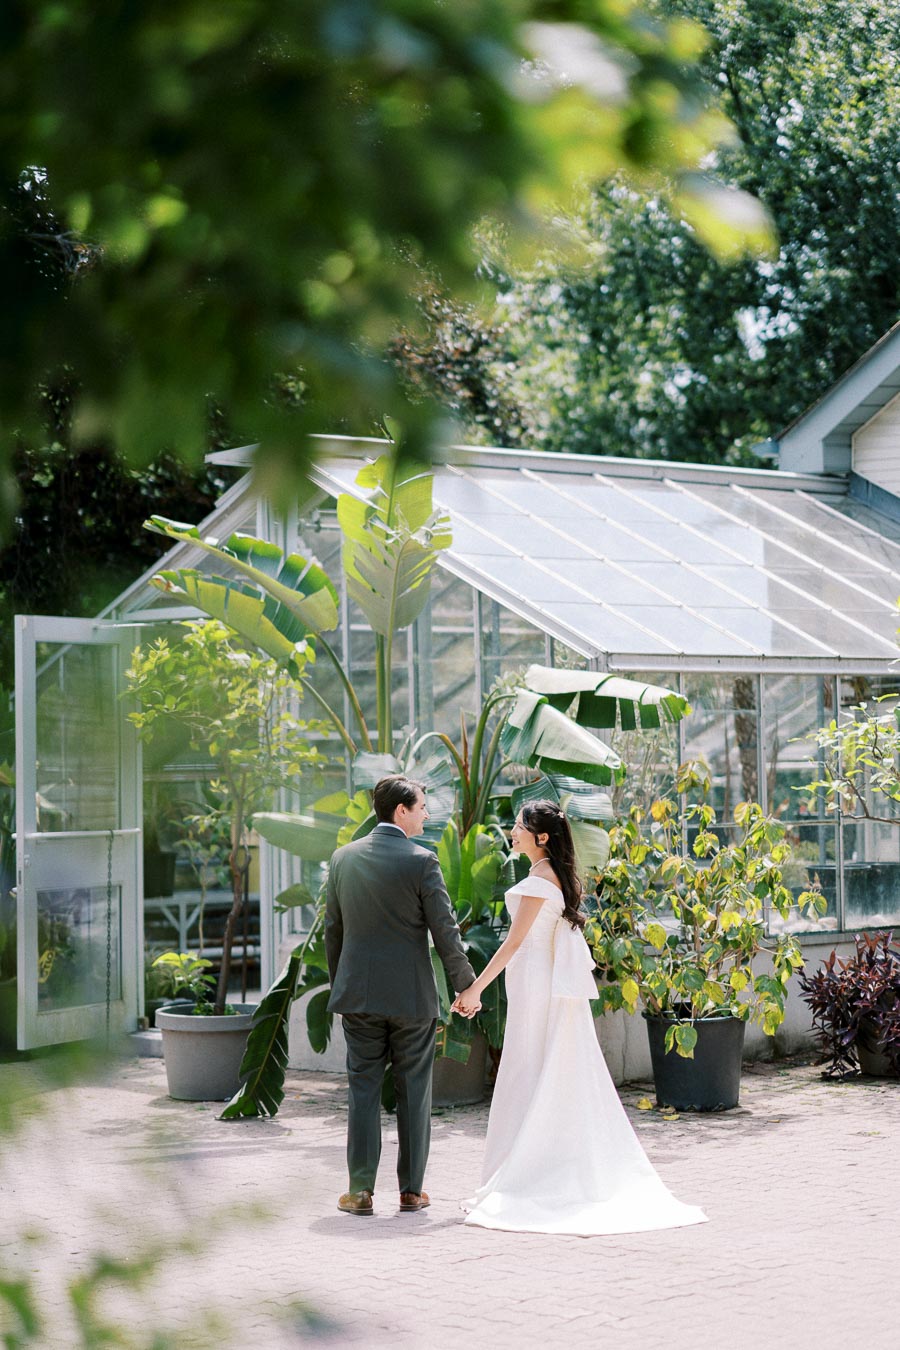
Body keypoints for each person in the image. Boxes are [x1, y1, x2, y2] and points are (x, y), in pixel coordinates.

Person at [452, 799, 707, 1236]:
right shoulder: (555, 876)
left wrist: (474, 987)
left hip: (535, 982)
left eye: (519, 826)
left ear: (542, 837)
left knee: (526, 1069)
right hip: (539, 980)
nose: (512, 832)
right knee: (534, 1069)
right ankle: (531, 1163)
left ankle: (526, 1173)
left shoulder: (539, 879)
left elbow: (514, 943)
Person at [325, 774, 479, 1217]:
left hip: (358, 999)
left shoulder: (342, 859)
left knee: (363, 1090)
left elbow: (334, 932)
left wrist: (343, 986)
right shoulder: (422, 861)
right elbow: (445, 933)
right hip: (412, 1000)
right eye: (422, 807)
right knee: (414, 1091)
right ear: (401, 811)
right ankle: (411, 1191)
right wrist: (465, 986)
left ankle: (359, 1192)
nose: (427, 814)